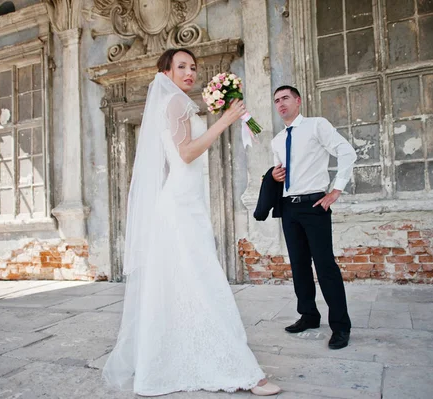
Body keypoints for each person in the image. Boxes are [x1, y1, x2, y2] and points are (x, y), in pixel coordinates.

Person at [102, 48, 281, 397]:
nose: (189, 72)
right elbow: (185, 153)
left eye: (193, 67)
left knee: (187, 281)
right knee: (206, 280)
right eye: (181, 66)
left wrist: (223, 115)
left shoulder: (177, 104)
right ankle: (243, 370)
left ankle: (178, 357)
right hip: (182, 205)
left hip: (184, 201)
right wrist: (225, 121)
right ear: (166, 73)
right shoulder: (176, 104)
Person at [271, 85, 357, 350]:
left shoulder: (317, 125)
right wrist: (275, 175)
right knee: (298, 265)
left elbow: (347, 152)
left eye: (285, 98)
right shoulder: (277, 140)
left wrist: (335, 191)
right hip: (289, 208)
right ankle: (308, 315)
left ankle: (341, 327)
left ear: (298, 100)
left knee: (325, 265)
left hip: (314, 204)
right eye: (276, 101)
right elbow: (281, 172)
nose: (281, 103)